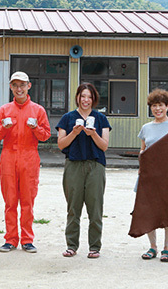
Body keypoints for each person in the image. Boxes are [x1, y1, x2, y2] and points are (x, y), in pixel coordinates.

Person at [0, 71, 50, 253]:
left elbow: (46, 135)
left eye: (22, 85)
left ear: (28, 86)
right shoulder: (4, 110)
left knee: (27, 201)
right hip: (8, 156)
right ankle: (10, 239)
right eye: (15, 85)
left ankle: (27, 239)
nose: (19, 89)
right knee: (10, 201)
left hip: (29, 157)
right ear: (11, 87)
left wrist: (35, 128)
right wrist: (4, 126)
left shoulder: (38, 110)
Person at [56, 83, 111, 259]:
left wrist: (92, 134)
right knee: (73, 207)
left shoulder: (100, 118)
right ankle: (72, 245)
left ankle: (95, 246)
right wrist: (74, 133)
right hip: (73, 165)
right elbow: (61, 144)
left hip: (95, 165)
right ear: (77, 97)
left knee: (95, 208)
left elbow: (104, 146)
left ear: (93, 99)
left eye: (89, 97)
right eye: (82, 96)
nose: (86, 100)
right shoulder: (67, 118)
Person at [137, 88, 168, 262]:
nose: (158, 109)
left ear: (167, 106)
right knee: (150, 212)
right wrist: (141, 170)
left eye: (161, 105)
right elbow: (142, 151)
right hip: (149, 177)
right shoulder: (146, 128)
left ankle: (167, 248)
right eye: (154, 106)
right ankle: (152, 247)